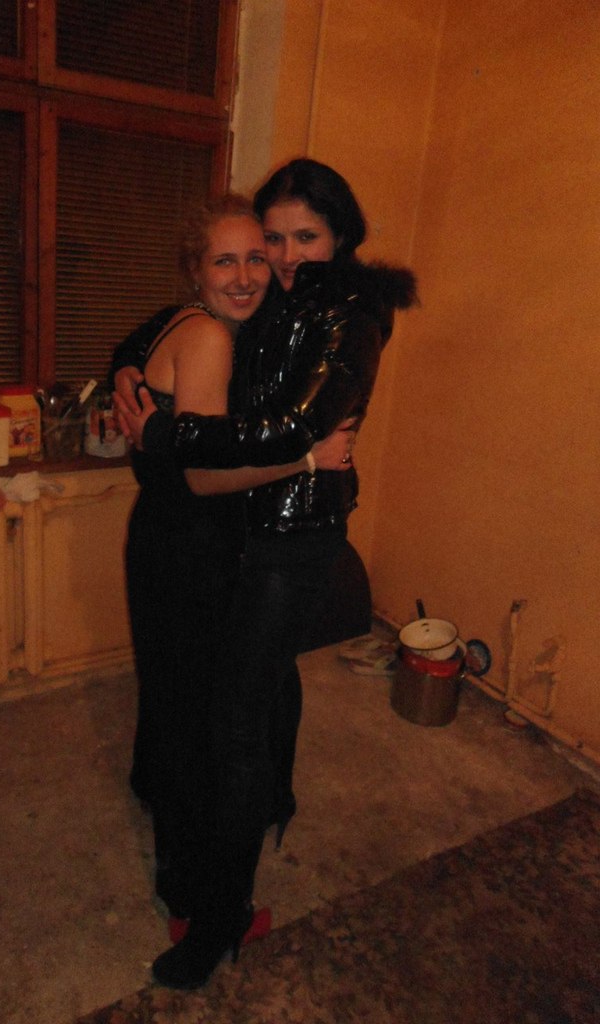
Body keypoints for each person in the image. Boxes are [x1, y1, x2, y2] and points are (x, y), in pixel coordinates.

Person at [113, 159, 418, 990]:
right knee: (255, 691)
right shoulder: (279, 299)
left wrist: (166, 436)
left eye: (300, 238)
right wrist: (128, 369)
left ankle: (219, 920)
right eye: (268, 240)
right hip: (246, 533)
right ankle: (262, 812)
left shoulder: (349, 313)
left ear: (341, 235)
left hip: (294, 537)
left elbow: (291, 427)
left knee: (236, 721)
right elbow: (162, 334)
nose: (279, 259)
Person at [120, 193, 355, 945]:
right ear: (196, 270)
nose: (248, 275)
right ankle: (193, 900)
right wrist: (308, 458)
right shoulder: (211, 340)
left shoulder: (179, 323)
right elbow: (204, 475)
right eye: (226, 260)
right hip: (191, 546)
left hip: (160, 539)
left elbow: (155, 400)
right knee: (201, 725)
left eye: (258, 256)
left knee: (175, 702)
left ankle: (179, 873)